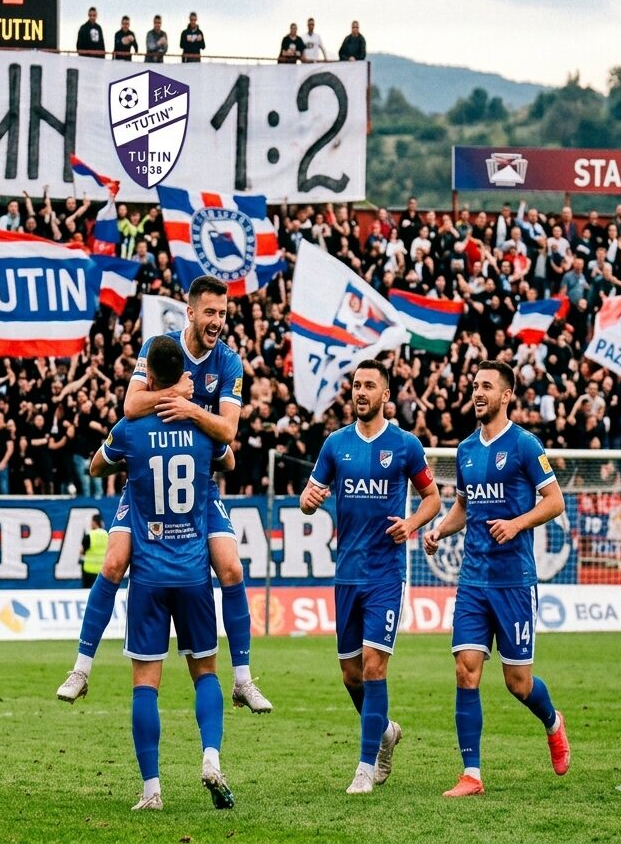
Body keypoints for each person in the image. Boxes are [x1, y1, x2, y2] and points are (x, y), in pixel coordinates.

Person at [57, 276, 272, 713]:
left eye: (223, 313)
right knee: (112, 562)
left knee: (231, 568)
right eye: (210, 312)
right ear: (190, 312)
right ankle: (80, 668)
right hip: (146, 486)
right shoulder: (160, 347)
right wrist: (175, 392)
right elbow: (130, 406)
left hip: (201, 487)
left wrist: (190, 409)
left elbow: (228, 431)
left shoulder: (229, 362)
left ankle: (243, 679)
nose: (217, 321)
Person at [89, 335, 236, 811]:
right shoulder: (203, 427)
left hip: (149, 576)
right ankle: (210, 757)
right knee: (206, 672)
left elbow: (95, 467)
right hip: (193, 573)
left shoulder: (131, 427)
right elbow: (229, 459)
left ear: (148, 376)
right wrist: (197, 417)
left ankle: (152, 789)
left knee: (145, 684)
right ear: (184, 378)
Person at [423, 360, 570, 797]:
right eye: (475, 385)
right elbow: (464, 507)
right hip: (473, 581)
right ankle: (471, 774)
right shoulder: (466, 449)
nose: (478, 392)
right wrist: (439, 531)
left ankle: (553, 721)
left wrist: (517, 523)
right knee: (465, 670)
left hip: (514, 582)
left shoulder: (524, 444)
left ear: (506, 396)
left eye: (487, 386)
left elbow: (555, 501)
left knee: (518, 684)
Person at [299, 359, 441, 794]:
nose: (360, 392)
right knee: (351, 675)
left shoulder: (405, 445)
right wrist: (309, 500)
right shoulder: (335, 444)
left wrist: (411, 524)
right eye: (356, 385)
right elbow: (309, 498)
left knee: (375, 666)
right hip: (347, 574)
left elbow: (432, 498)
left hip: (386, 574)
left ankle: (365, 766)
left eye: (369, 386)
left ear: (385, 395)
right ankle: (384, 731)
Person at [79, 513, 107, 589]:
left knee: (87, 591)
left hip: (89, 570)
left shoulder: (89, 535)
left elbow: (81, 552)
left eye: (91, 522)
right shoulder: (107, 535)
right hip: (102, 570)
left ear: (94, 522)